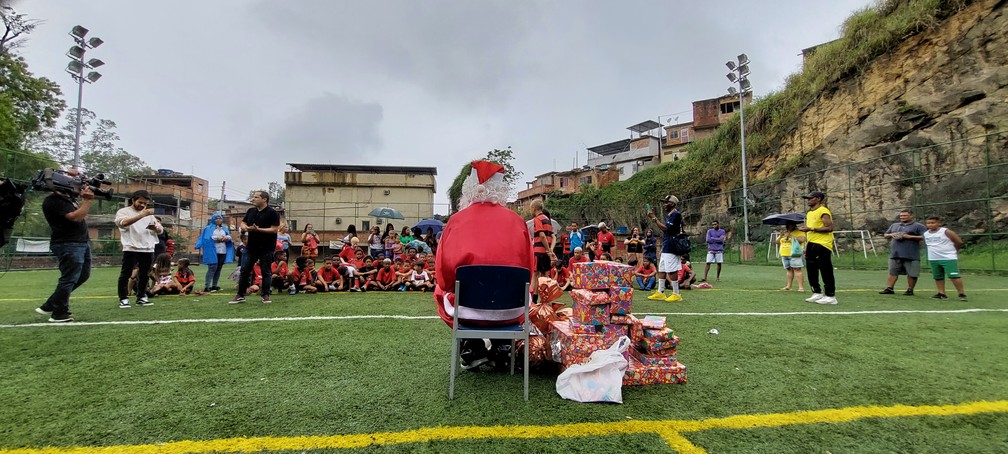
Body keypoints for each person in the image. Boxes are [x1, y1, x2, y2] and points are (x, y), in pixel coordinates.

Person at [435, 160, 533, 371]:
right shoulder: (518, 221)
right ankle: (502, 348)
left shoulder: (456, 220)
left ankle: (472, 346)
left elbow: (443, 275)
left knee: (440, 290)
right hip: (511, 309)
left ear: (469, 188)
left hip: (468, 309)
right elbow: (528, 269)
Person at [37, 181, 95, 322]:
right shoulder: (54, 201)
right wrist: (87, 200)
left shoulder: (68, 199)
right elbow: (76, 217)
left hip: (80, 242)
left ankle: (51, 303)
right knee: (69, 278)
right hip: (67, 243)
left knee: (83, 275)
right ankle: (59, 312)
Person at [231, 190, 281, 304]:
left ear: (264, 199)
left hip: (266, 247)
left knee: (266, 271)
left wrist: (258, 229)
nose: (253, 199)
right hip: (251, 247)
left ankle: (265, 295)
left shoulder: (273, 213)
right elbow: (243, 223)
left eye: (256, 197)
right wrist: (246, 228)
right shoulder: (251, 211)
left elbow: (274, 229)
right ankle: (240, 294)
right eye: (253, 197)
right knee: (244, 270)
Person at [116, 190, 162, 308]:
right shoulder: (123, 212)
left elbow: (160, 229)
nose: (142, 205)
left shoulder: (149, 215)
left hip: (147, 248)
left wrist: (156, 229)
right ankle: (123, 298)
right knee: (126, 274)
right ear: (133, 200)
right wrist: (141, 215)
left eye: (145, 204)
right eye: (140, 202)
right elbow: (123, 223)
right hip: (131, 247)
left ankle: (141, 296)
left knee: (145, 274)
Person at [798, 191, 837, 305]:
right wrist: (806, 245)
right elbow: (810, 230)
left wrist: (811, 229)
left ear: (818, 199)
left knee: (825, 269)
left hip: (823, 243)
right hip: (812, 243)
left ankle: (830, 296)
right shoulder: (810, 213)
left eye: (810, 198)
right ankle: (817, 292)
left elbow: (829, 228)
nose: (808, 200)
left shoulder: (823, 211)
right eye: (807, 198)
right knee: (811, 269)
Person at [879, 209, 927, 296]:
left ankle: (910, 290)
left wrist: (908, 236)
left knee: (912, 273)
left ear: (911, 216)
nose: (902, 217)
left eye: (905, 215)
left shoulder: (918, 226)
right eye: (901, 216)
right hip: (895, 254)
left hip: (911, 254)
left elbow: (925, 236)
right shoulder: (895, 225)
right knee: (892, 272)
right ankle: (889, 288)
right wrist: (891, 235)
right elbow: (885, 235)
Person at [647, 195, 684, 302]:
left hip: (672, 245)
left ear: (672, 203)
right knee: (662, 268)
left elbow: (666, 229)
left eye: (666, 202)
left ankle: (676, 294)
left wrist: (654, 218)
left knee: (671, 270)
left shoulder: (676, 214)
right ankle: (660, 292)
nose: (664, 204)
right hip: (667, 244)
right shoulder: (670, 214)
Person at [923, 216, 967, 301]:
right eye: (928, 223)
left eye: (933, 223)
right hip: (934, 259)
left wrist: (954, 251)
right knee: (938, 276)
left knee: (953, 276)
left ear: (938, 223)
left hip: (948, 258)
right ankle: (941, 293)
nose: (930, 225)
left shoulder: (946, 231)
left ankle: (961, 294)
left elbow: (959, 242)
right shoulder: (926, 234)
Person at [195, 212, 234, 293]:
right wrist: (217, 238)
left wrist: (226, 238)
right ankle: (207, 286)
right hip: (212, 250)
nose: (218, 220)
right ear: (213, 219)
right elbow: (206, 238)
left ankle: (214, 285)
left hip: (222, 251)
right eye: (216, 218)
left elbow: (229, 236)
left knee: (219, 268)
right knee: (212, 268)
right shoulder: (208, 228)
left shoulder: (224, 228)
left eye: (220, 218)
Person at [530, 199, 556, 303]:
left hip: (539, 251)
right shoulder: (547, 219)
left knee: (535, 276)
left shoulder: (537, 219)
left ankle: (533, 301)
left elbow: (542, 235)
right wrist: (549, 251)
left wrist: (547, 249)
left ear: (534, 208)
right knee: (545, 275)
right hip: (545, 253)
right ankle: (545, 300)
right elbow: (551, 236)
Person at [779, 222, 806, 292]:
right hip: (785, 253)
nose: (788, 226)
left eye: (790, 225)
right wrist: (781, 235)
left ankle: (801, 287)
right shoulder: (785, 233)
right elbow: (777, 242)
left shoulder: (799, 232)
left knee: (797, 269)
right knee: (789, 269)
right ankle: (789, 286)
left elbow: (802, 240)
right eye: (787, 225)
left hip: (795, 254)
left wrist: (791, 236)